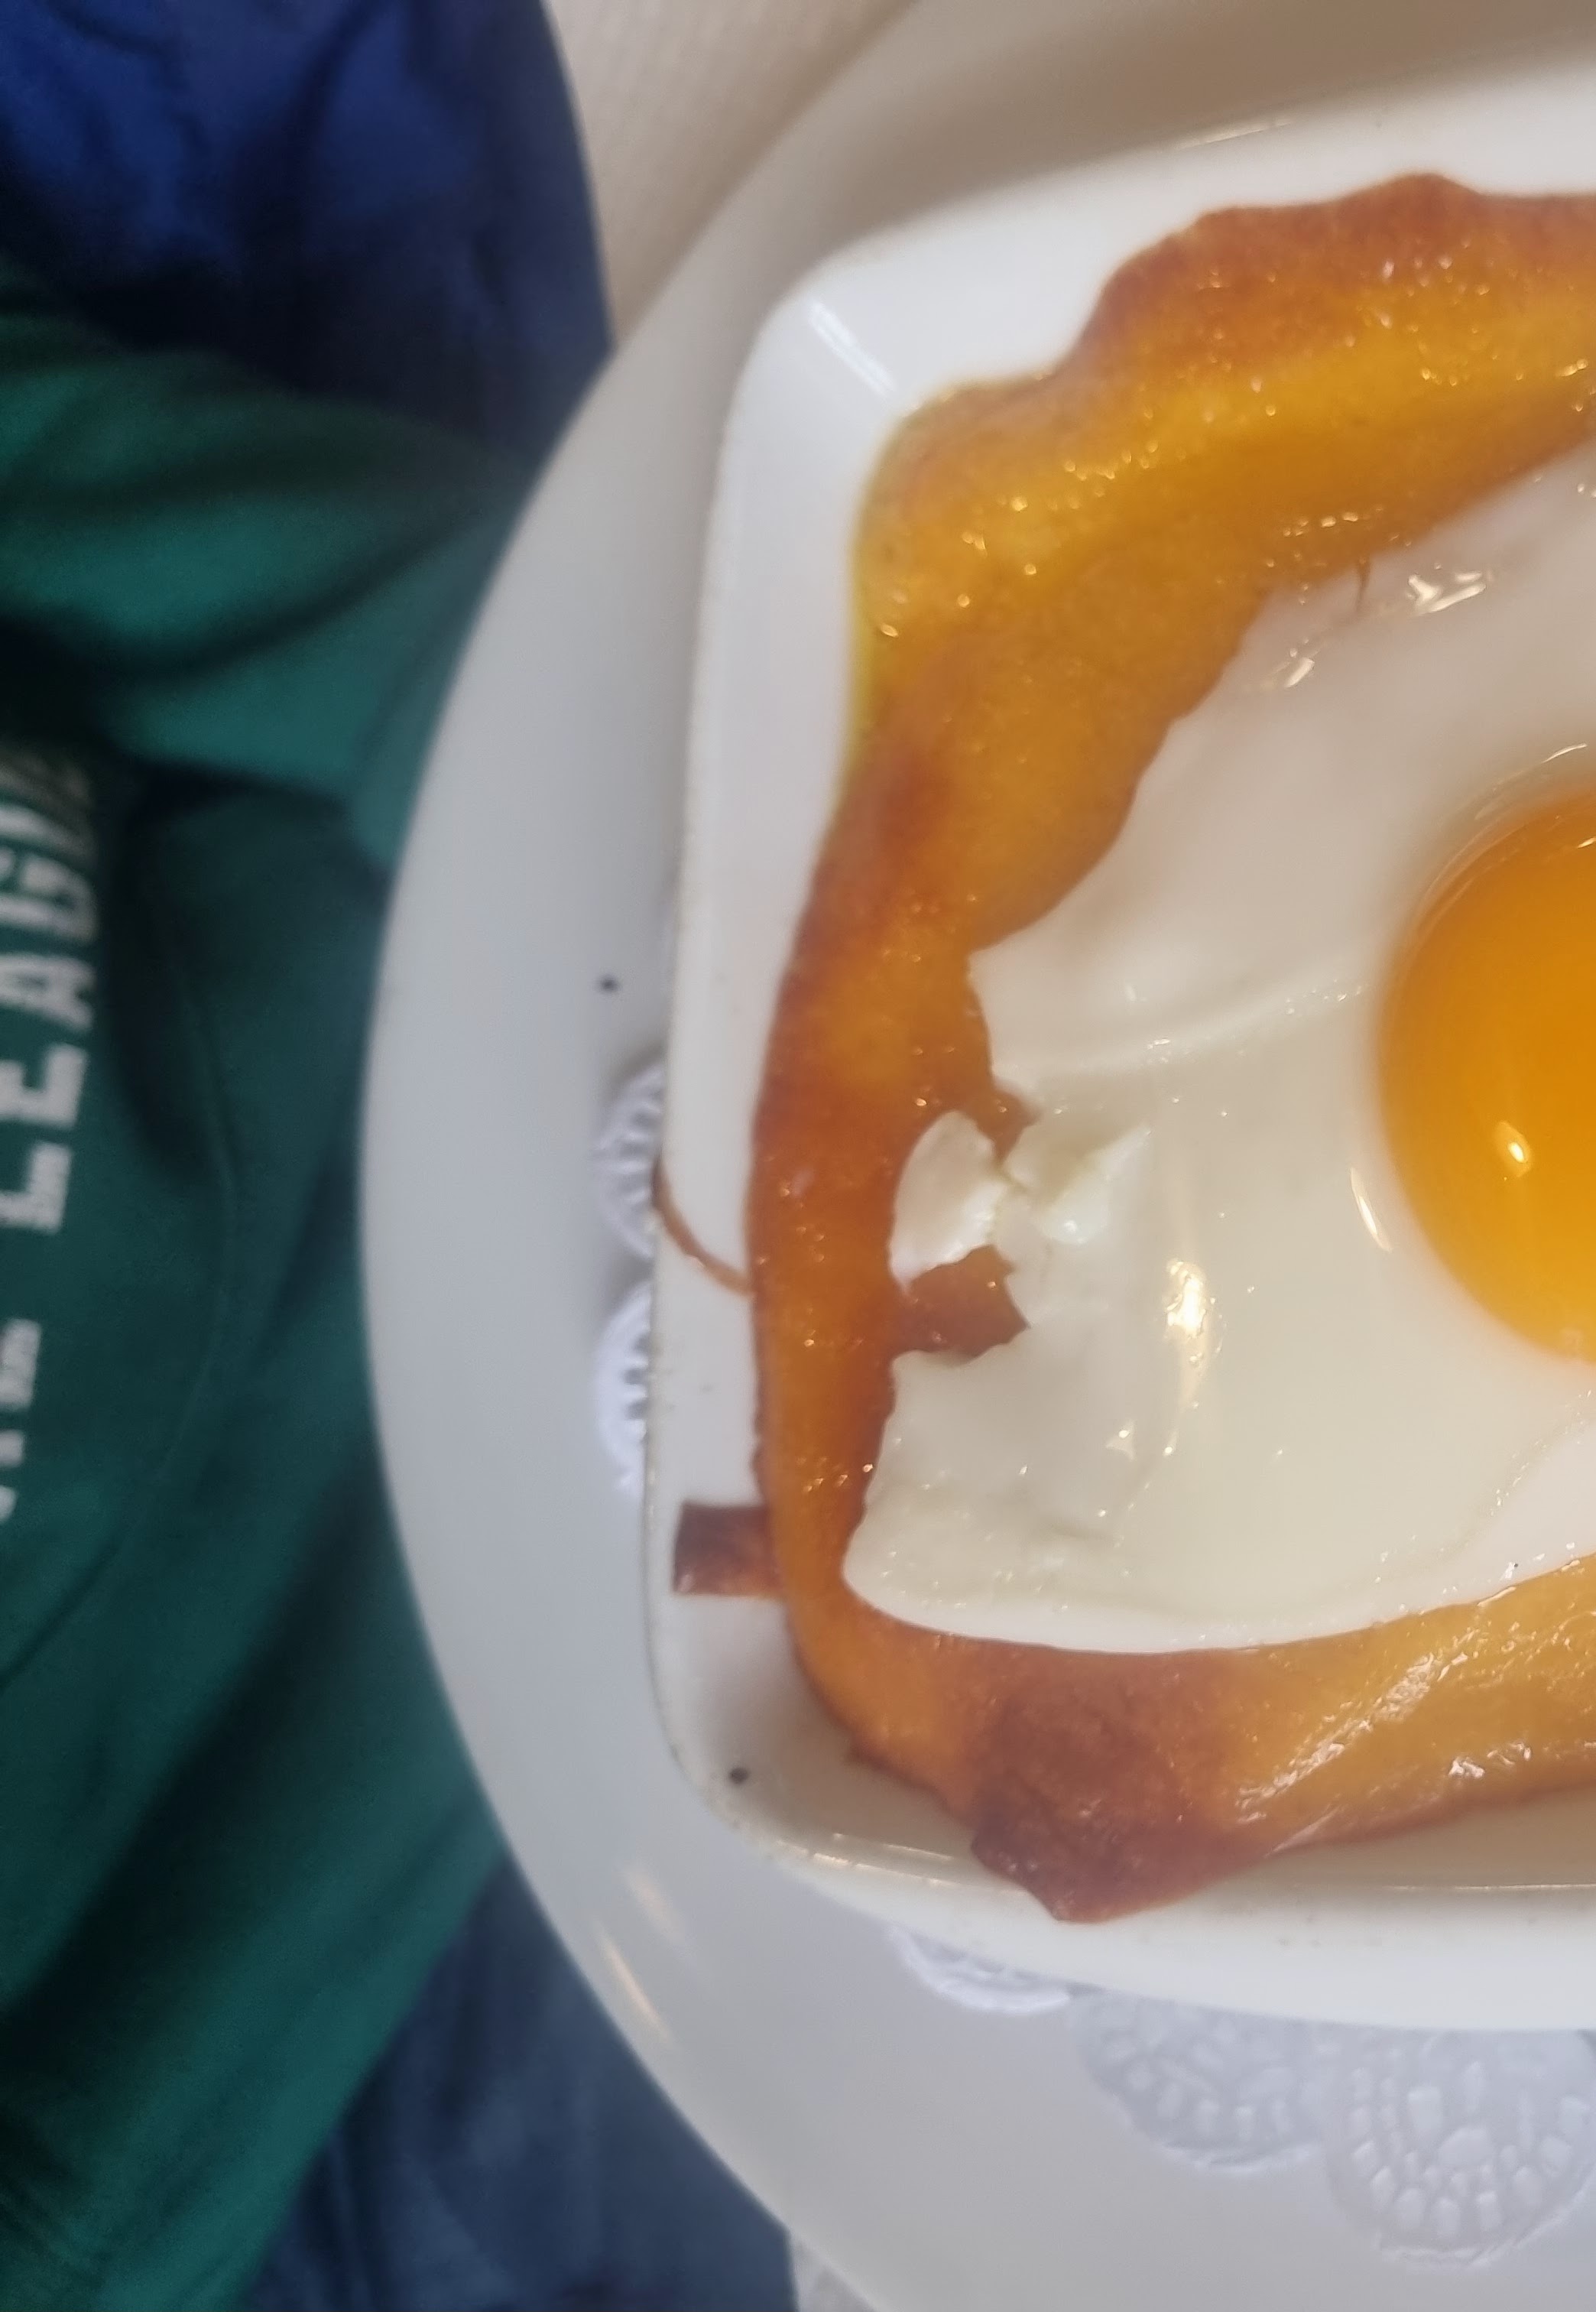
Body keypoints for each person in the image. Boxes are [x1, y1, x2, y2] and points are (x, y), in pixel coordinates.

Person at [0, 4, 785, 2303]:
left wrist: (582, 773)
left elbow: (101, 506)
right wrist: (541, 1613)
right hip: (389, 1885)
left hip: (445, 842)